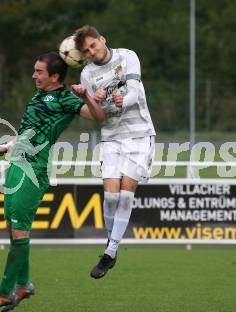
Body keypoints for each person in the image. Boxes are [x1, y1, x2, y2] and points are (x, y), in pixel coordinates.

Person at [0, 52, 105, 312]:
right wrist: (10, 145)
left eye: (39, 71)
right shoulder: (38, 96)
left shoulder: (66, 98)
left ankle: (3, 293)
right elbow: (32, 129)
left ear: (54, 76)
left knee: (20, 230)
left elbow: (98, 116)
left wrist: (86, 96)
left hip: (33, 169)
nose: (34, 75)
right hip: (16, 164)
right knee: (13, 230)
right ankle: (23, 285)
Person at [72, 25, 156, 279]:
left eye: (93, 46)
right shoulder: (87, 74)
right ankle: (112, 244)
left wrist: (123, 100)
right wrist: (90, 99)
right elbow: (95, 115)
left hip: (140, 134)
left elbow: (134, 89)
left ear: (102, 40)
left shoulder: (127, 56)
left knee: (126, 195)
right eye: (86, 51)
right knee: (110, 197)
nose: (91, 52)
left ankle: (110, 251)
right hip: (111, 137)